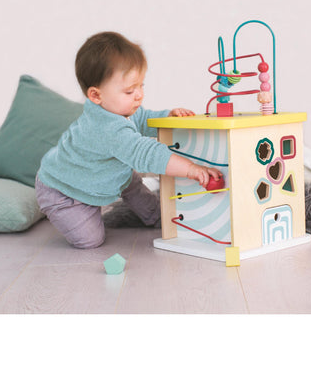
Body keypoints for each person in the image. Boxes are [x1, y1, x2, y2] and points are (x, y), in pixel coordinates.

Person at [35, 31, 222, 249]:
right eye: (130, 90)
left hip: (104, 173)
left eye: (141, 86)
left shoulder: (117, 109)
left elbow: (143, 118)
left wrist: (168, 116)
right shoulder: (107, 128)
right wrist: (191, 169)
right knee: (90, 240)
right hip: (64, 190)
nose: (139, 95)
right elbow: (147, 153)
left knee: (130, 181)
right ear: (96, 95)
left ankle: (154, 214)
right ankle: (74, 211)